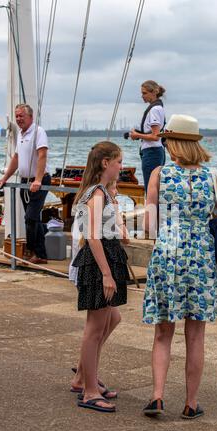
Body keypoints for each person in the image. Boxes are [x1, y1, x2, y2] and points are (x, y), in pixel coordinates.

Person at [142, 114, 217, 419]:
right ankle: (191, 404)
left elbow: (149, 224)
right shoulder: (212, 177)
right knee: (195, 336)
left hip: (168, 253)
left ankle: (157, 397)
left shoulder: (159, 175)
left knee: (163, 333)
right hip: (202, 257)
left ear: (172, 142)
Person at [70, 142, 130, 413]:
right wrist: (107, 273)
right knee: (94, 329)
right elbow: (93, 236)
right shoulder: (96, 194)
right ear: (106, 163)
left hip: (105, 258)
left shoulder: (103, 193)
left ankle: (85, 378)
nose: (121, 166)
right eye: (118, 162)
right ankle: (89, 391)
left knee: (108, 319)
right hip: (98, 264)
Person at [0, 104, 50, 264]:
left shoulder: (38, 132)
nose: (18, 119)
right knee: (33, 220)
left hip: (39, 181)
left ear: (30, 117)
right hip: (24, 182)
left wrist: (38, 180)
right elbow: (16, 158)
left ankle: (31, 251)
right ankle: (40, 254)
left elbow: (42, 155)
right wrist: (5, 178)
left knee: (30, 218)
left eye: (21, 116)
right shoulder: (20, 134)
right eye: (17, 116)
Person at [130, 80, 166, 194]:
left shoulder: (154, 109)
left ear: (153, 93)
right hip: (156, 151)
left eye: (144, 93)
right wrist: (140, 133)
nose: (142, 96)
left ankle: (151, 211)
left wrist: (137, 135)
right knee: (155, 187)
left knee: (150, 188)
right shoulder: (158, 108)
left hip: (152, 152)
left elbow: (155, 136)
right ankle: (154, 211)